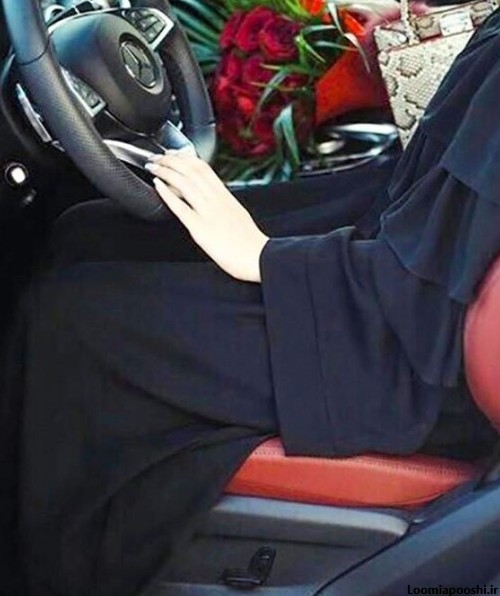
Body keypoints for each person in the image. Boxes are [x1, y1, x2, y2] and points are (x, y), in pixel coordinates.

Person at [5, 8, 500, 596]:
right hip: (407, 268)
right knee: (91, 232)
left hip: (412, 354)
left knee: (72, 322)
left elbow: (433, 283)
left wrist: (265, 257)